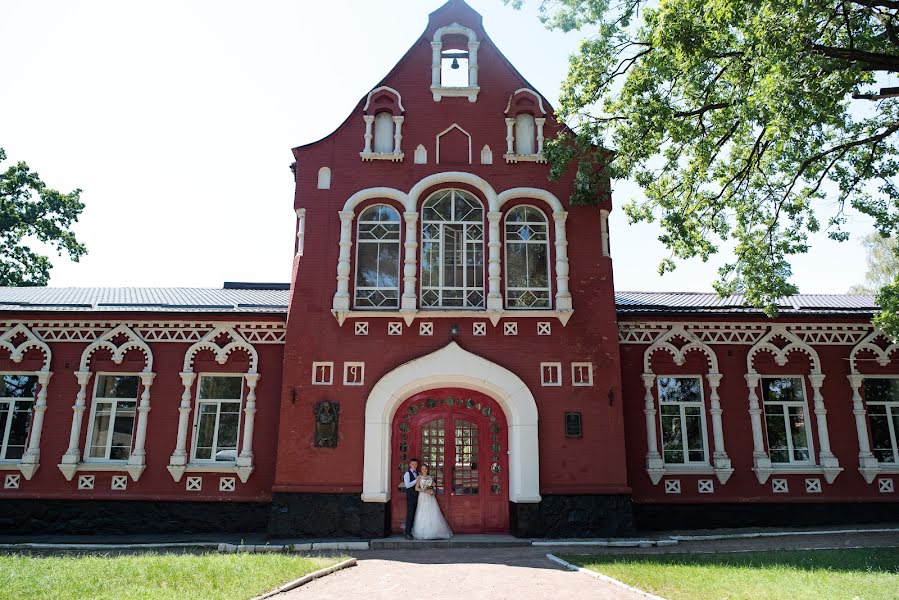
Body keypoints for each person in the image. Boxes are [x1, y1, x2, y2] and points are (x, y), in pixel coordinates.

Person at [411, 464, 453, 540]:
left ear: (427, 469)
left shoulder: (430, 477)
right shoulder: (419, 477)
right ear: (421, 470)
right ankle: (422, 532)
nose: (424, 470)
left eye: (425, 469)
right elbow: (416, 488)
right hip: (423, 496)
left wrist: (431, 490)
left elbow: (431, 487)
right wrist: (424, 490)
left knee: (432, 512)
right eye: (423, 469)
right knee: (423, 512)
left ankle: (434, 531)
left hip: (430, 497)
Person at [402, 458, 419, 540]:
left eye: (415, 464)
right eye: (413, 464)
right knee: (410, 514)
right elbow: (407, 485)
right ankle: (407, 532)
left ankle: (413, 531)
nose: (414, 465)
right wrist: (416, 480)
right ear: (410, 465)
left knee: (416, 514)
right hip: (411, 497)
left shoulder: (418, 473)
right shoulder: (407, 474)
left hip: (418, 497)